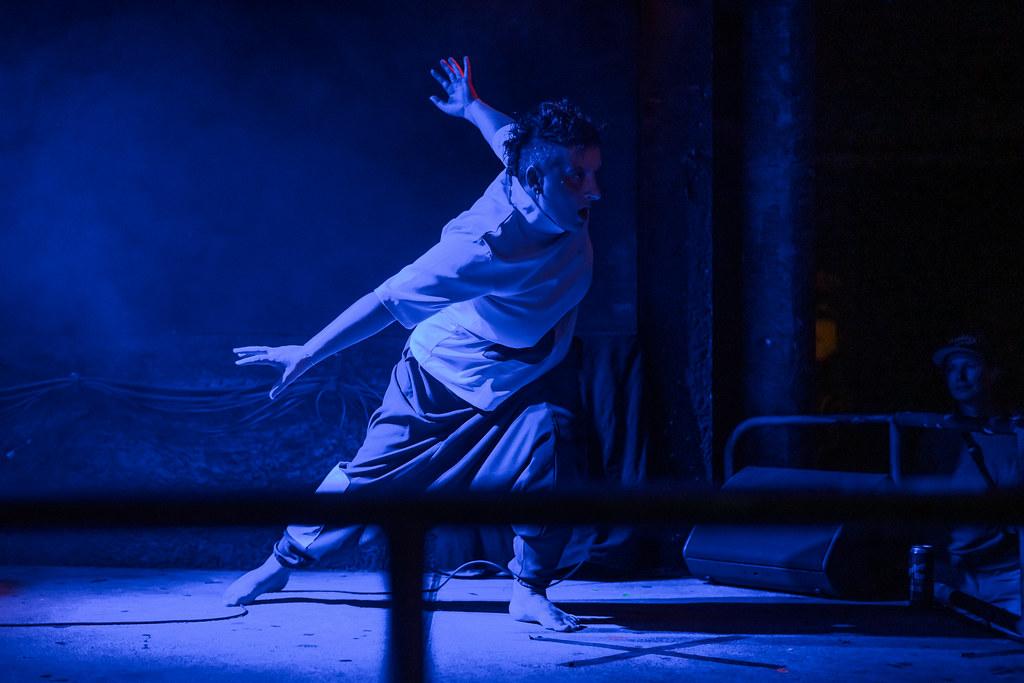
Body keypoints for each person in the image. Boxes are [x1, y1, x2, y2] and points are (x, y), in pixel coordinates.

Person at [222, 56, 602, 632]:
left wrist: (471, 105)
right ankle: (279, 564)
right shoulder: (480, 246)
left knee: (554, 441)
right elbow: (386, 300)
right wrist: (307, 352)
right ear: (533, 182)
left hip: (524, 371)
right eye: (577, 177)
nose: (594, 190)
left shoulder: (536, 163)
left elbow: (506, 134)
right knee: (367, 483)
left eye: (594, 173)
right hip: (442, 377)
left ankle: (528, 589)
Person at [918, 333, 1021, 615]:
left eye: (970, 366)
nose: (959, 376)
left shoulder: (1017, 432)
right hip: (953, 576)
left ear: (993, 372)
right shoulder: (935, 434)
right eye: (951, 368)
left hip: (1010, 577)